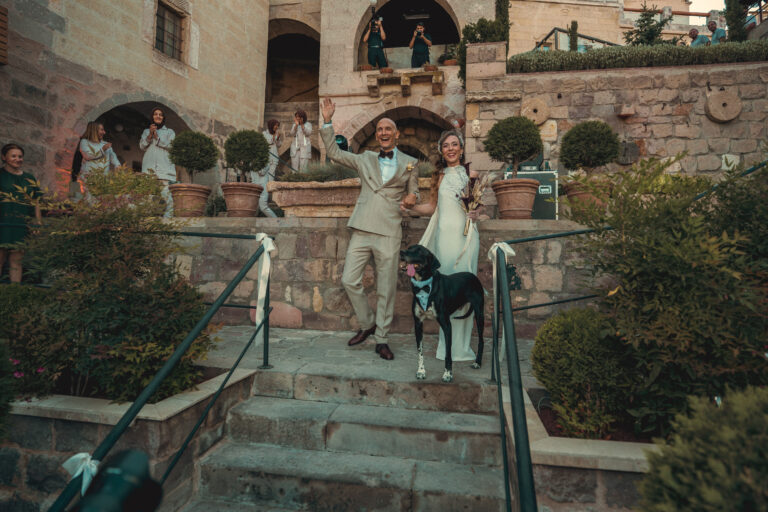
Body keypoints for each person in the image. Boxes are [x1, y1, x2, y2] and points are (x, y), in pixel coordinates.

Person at [320, 97, 419, 360]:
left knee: (386, 287)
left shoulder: (411, 162)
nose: (383, 133)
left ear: (396, 134)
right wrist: (328, 122)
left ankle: (382, 339)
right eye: (380, 130)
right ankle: (367, 324)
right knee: (349, 280)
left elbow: (415, 193)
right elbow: (335, 154)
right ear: (377, 136)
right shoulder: (365, 158)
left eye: (388, 129)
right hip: (363, 226)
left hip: (389, 229)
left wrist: (412, 199)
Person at [400, 130, 482, 362]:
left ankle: (461, 348)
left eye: (455, 144)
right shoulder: (439, 176)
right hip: (444, 239)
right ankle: (446, 345)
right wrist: (411, 209)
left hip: (466, 238)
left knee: (464, 290)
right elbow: (432, 207)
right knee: (444, 293)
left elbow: (478, 207)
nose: (451, 149)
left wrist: (476, 213)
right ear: (441, 150)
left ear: (462, 148)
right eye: (446, 145)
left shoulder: (471, 174)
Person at [0, 144, 42, 283]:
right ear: (4, 157)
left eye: (20, 156)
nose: (17, 159)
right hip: (3, 222)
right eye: (13, 156)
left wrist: (37, 221)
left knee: (17, 261)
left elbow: (36, 201)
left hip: (21, 224)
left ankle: (14, 296)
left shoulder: (30, 178)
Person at [139, 107, 176, 217]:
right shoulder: (146, 131)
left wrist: (157, 137)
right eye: (156, 114)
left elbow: (171, 146)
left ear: (163, 118)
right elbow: (142, 146)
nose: (158, 116)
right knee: (148, 198)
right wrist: (150, 135)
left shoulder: (170, 132)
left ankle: (168, 222)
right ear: (152, 117)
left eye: (160, 114)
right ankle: (149, 223)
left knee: (167, 198)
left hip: (164, 170)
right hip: (149, 170)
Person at [250, 119, 282, 217]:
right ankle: (266, 196)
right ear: (271, 125)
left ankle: (268, 195)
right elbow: (268, 142)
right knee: (266, 177)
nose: (277, 127)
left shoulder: (276, 134)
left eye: (277, 125)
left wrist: (277, 138)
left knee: (271, 177)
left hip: (274, 158)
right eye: (275, 125)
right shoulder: (264, 133)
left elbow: (279, 145)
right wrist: (274, 137)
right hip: (268, 159)